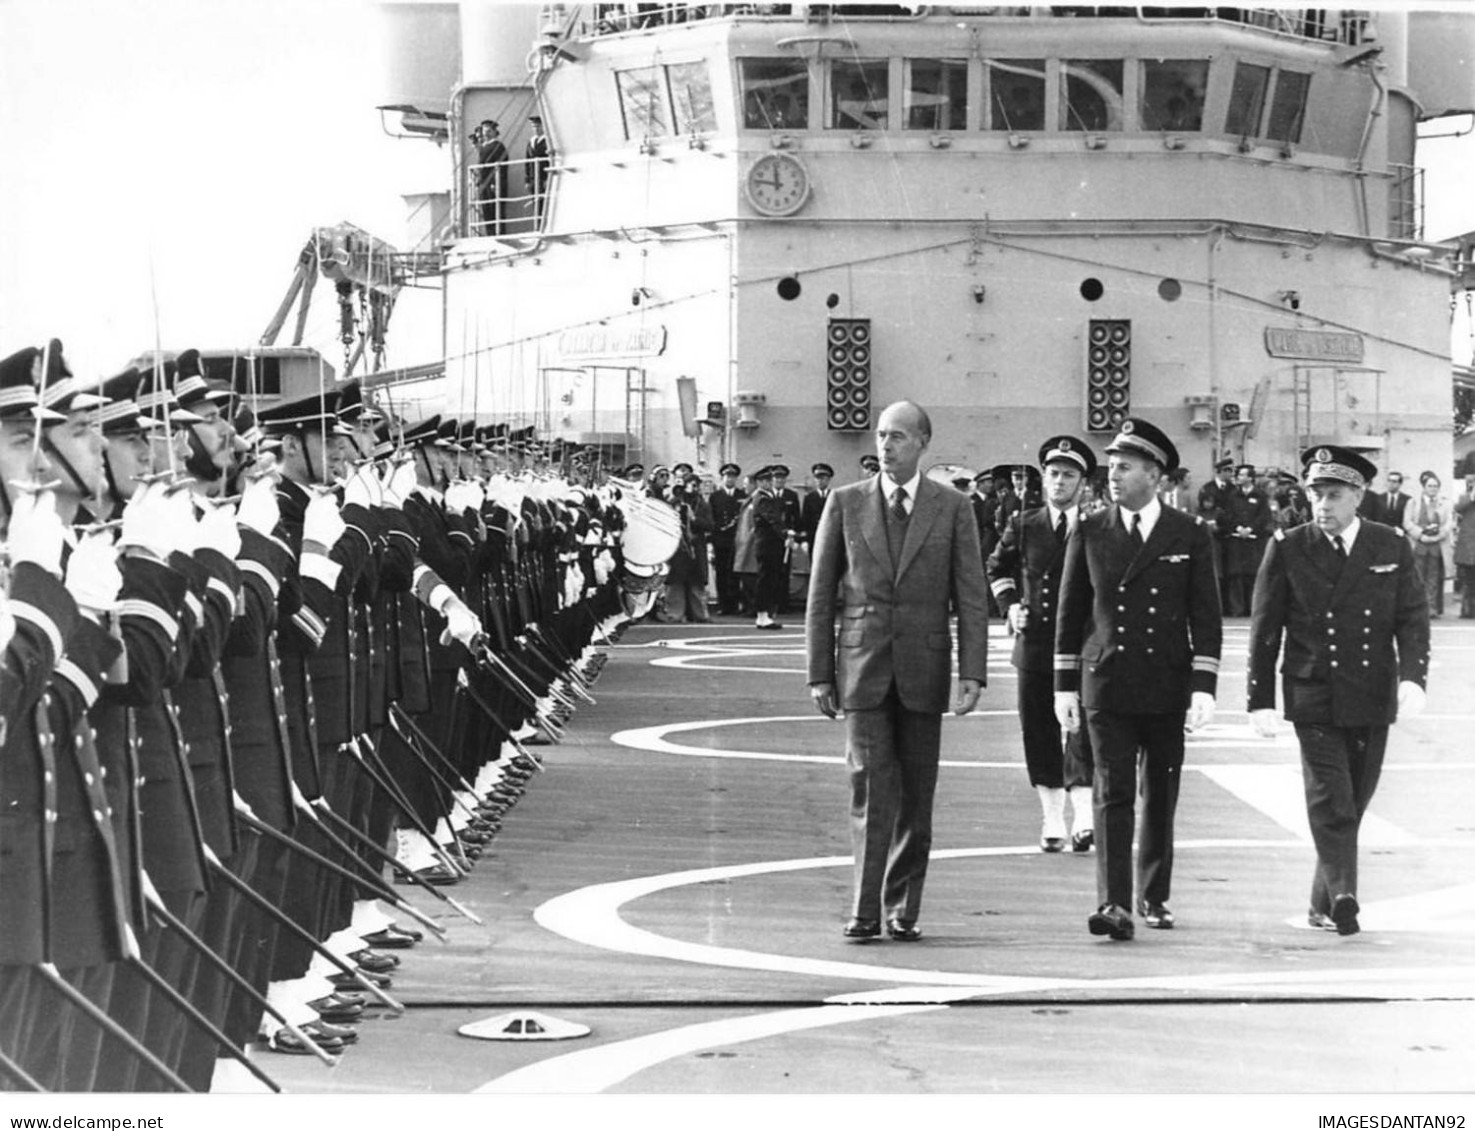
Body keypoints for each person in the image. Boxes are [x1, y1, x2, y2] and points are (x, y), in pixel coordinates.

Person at [805, 401, 989, 941]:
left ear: (923, 443)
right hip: (862, 669)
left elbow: (971, 595)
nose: (886, 446)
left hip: (925, 670)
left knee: (916, 796)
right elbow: (820, 597)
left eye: (900, 437)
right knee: (868, 788)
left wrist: (972, 671)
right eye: (882, 436)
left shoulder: (953, 508)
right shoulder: (844, 504)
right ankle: (865, 909)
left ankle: (903, 908)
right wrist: (820, 673)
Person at [1248, 446, 1430, 936]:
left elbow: (1412, 617)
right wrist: (1259, 698)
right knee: (1334, 799)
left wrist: (1414, 676)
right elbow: (1265, 629)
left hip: (1371, 691)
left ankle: (1321, 902)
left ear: (1359, 495)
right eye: (1315, 494)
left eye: (1333, 495)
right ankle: (1346, 895)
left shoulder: (1389, 544)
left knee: (1357, 798)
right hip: (1313, 692)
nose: (1322, 505)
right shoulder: (1288, 546)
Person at [1054, 417, 1222, 941]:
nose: (1113, 475)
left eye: (1125, 467)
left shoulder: (1189, 534)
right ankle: (1113, 902)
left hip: (1167, 683)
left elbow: (1206, 616)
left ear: (1155, 474)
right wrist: (1063, 686)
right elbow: (1071, 610)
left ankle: (1154, 894)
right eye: (1112, 466)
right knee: (1112, 792)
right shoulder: (1090, 528)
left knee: (1161, 792)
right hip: (1107, 681)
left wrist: (1203, 686)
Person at [987, 435, 1097, 853]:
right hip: (1035, 645)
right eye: (1053, 474)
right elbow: (997, 565)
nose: (1059, 482)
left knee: (1083, 730)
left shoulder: (1096, 527)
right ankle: (1052, 818)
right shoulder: (1024, 524)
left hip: (1082, 645)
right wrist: (1011, 606)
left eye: (1069, 475)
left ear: (1082, 483)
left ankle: (1084, 817)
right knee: (1038, 729)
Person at [1222, 463, 1273, 616]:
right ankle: (1236, 609)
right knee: (1235, 575)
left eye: (1243, 475)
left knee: (1253, 574)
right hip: (1236, 540)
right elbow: (1227, 515)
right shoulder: (1232, 495)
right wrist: (1237, 528)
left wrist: (1251, 529)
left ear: (1250, 478)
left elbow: (1264, 516)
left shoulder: (1260, 496)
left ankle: (1252, 608)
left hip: (1254, 541)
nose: (1239, 478)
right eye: (1239, 475)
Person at [1403, 470, 1453, 617]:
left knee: (1434, 578)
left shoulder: (1444, 503)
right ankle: (1417, 607)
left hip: (1436, 547)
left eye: (1436, 486)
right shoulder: (1413, 502)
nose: (1433, 489)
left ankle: (1431, 608)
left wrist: (1438, 535)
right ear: (1424, 487)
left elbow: (1449, 523)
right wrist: (1420, 535)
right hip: (1419, 545)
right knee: (1417, 577)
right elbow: (1407, 522)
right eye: (1430, 486)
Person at [750, 466, 788, 629]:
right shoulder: (762, 498)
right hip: (767, 544)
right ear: (758, 482)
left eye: (769, 480)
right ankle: (762, 614)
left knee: (770, 578)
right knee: (766, 579)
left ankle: (766, 614)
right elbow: (772, 519)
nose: (768, 483)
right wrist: (786, 533)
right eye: (764, 481)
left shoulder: (767, 496)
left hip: (771, 544)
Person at [709, 462, 746, 615]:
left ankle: (735, 603)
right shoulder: (715, 496)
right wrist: (711, 542)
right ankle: (723, 604)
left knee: (735, 573)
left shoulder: (742, 496)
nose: (729, 479)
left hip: (736, 540)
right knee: (721, 573)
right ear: (722, 477)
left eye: (732, 476)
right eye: (727, 476)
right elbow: (712, 519)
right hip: (720, 540)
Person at [471, 119, 509, 235]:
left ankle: (498, 233)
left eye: (489, 130)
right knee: (487, 210)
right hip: (484, 183)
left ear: (494, 131)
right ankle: (490, 234)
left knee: (496, 209)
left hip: (494, 183)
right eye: (484, 130)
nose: (486, 133)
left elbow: (501, 165)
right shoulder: (484, 147)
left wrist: (495, 183)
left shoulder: (498, 146)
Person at [524, 114, 552, 226]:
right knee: (536, 203)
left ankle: (544, 225)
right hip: (533, 178)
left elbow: (550, 160)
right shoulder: (531, 142)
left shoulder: (547, 141)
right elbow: (527, 161)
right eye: (534, 126)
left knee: (544, 203)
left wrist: (548, 177)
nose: (536, 129)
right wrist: (527, 180)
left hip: (543, 177)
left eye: (538, 126)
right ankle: (538, 225)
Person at [800, 461, 833, 548]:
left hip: (831, 536)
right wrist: (804, 540)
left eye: (823, 478)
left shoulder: (834, 495)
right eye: (817, 478)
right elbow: (805, 519)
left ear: (829, 480)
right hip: (814, 536)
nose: (820, 481)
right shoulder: (809, 498)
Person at [1455, 473, 1475, 618]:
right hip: (1469, 547)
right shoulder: (1465, 497)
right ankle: (1468, 610)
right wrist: (1471, 496)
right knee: (1468, 580)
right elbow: (1458, 507)